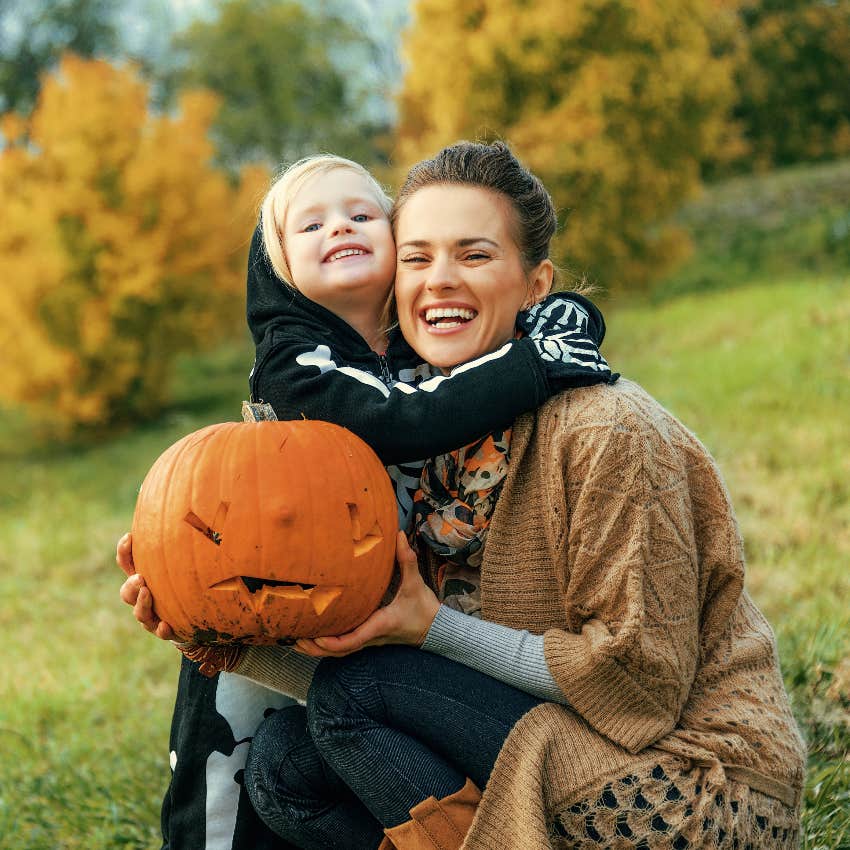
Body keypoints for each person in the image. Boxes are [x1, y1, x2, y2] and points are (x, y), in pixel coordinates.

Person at [224, 141, 805, 849]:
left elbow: (637, 688)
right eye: (417, 258)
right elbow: (433, 678)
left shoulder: (606, 430)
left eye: (474, 256)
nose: (439, 281)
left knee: (358, 696)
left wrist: (431, 627)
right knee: (285, 762)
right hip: (561, 734)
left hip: (686, 782)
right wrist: (226, 639)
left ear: (537, 285)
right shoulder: (434, 439)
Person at [118, 152, 616, 850]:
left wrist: (572, 318)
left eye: (361, 214)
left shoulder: (420, 344)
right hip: (264, 590)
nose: (339, 228)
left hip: (375, 608)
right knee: (226, 765)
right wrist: (536, 364)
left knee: (317, 753)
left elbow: (533, 312)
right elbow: (400, 418)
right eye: (310, 224)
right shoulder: (296, 363)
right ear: (277, 262)